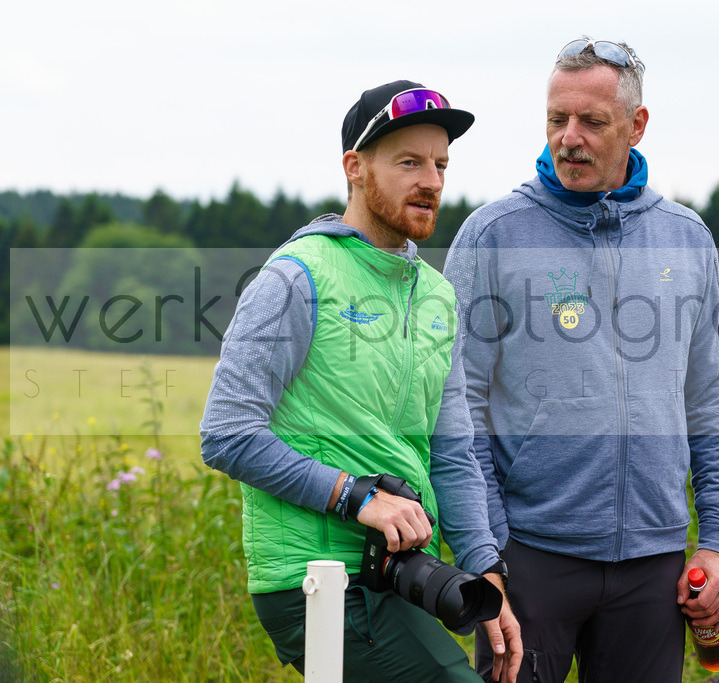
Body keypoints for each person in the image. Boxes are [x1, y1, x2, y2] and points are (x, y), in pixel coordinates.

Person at [442, 39, 719, 682]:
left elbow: (712, 400)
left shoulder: (687, 239)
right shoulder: (493, 235)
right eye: (557, 120)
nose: (569, 138)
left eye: (591, 123)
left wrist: (718, 544)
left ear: (636, 126)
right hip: (530, 562)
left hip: (654, 566)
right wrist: (486, 549)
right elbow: (457, 404)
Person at [200, 80, 521, 682]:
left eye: (441, 164)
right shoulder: (297, 278)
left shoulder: (438, 296)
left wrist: (485, 569)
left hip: (399, 573)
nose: (431, 180)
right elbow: (226, 434)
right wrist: (358, 496)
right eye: (408, 162)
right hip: (313, 580)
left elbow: (451, 452)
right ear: (355, 167)